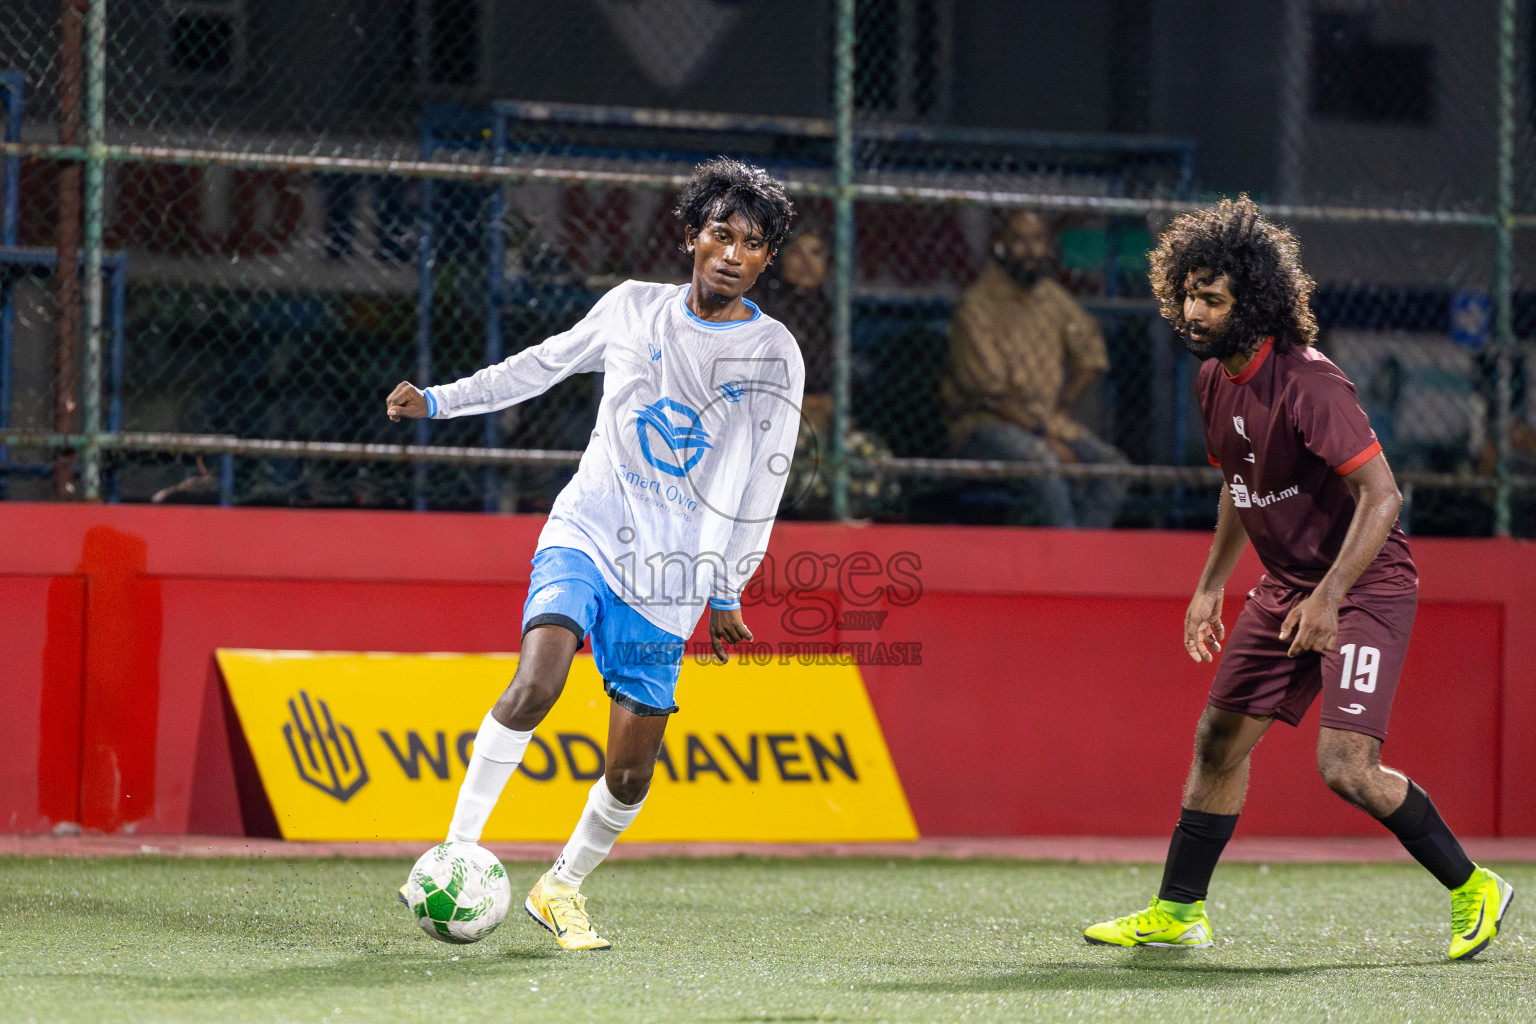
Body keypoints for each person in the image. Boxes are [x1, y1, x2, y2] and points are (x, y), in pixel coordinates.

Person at [385, 158, 803, 950]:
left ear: (765, 259)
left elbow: (763, 484)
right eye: (720, 234)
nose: (731, 253)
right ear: (690, 236)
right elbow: (540, 366)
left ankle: (562, 886)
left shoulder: (773, 354)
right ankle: (455, 849)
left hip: (671, 576)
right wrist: (441, 400)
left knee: (630, 773)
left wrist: (727, 590)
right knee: (536, 683)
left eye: (751, 243)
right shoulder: (630, 310)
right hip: (587, 530)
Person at [1084, 197, 1512, 959]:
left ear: (1254, 301)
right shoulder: (1215, 378)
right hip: (1289, 586)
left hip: (1366, 585)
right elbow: (1238, 485)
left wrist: (1331, 597)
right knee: (1217, 742)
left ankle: (1474, 884)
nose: (1191, 311)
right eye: (1186, 293)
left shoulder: (1310, 384)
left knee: (1346, 768)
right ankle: (1179, 913)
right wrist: (1211, 583)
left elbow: (1382, 496)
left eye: (1210, 299)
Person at [942, 209, 1127, 527]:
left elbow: (1091, 354)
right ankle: (1065, 566)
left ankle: (1084, 557)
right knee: (1045, 463)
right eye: (1019, 241)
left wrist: (1063, 406)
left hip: (1047, 421)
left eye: (1038, 240)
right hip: (985, 425)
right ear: (999, 246)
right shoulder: (977, 304)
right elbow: (989, 396)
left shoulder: (1051, 297)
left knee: (1114, 469)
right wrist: (1045, 436)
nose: (1031, 250)